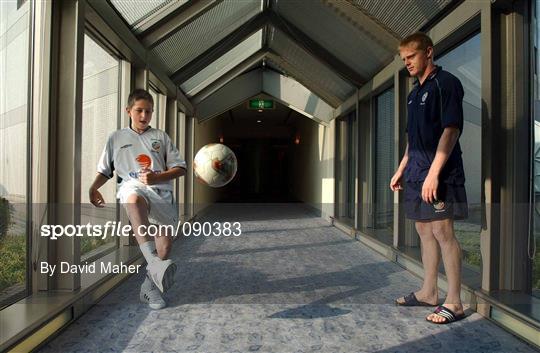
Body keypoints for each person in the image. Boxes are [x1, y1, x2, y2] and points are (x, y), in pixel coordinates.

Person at [390, 32, 468, 324]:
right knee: (424, 232)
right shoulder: (413, 93)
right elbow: (414, 139)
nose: (407, 63)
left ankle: (455, 302)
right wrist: (401, 168)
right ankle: (428, 292)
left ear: (429, 52)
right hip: (416, 173)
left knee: (443, 233)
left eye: (411, 57)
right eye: (404, 59)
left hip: (440, 173)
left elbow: (451, 130)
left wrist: (434, 174)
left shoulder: (446, 84)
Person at [89, 88, 186, 310]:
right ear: (128, 111)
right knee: (132, 198)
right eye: (139, 110)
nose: (144, 116)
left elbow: (181, 169)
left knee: (165, 248)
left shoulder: (161, 137)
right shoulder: (116, 138)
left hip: (161, 194)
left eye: (148, 112)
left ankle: (148, 287)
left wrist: (157, 177)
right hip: (133, 187)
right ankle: (152, 262)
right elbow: (105, 170)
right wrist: (94, 187)